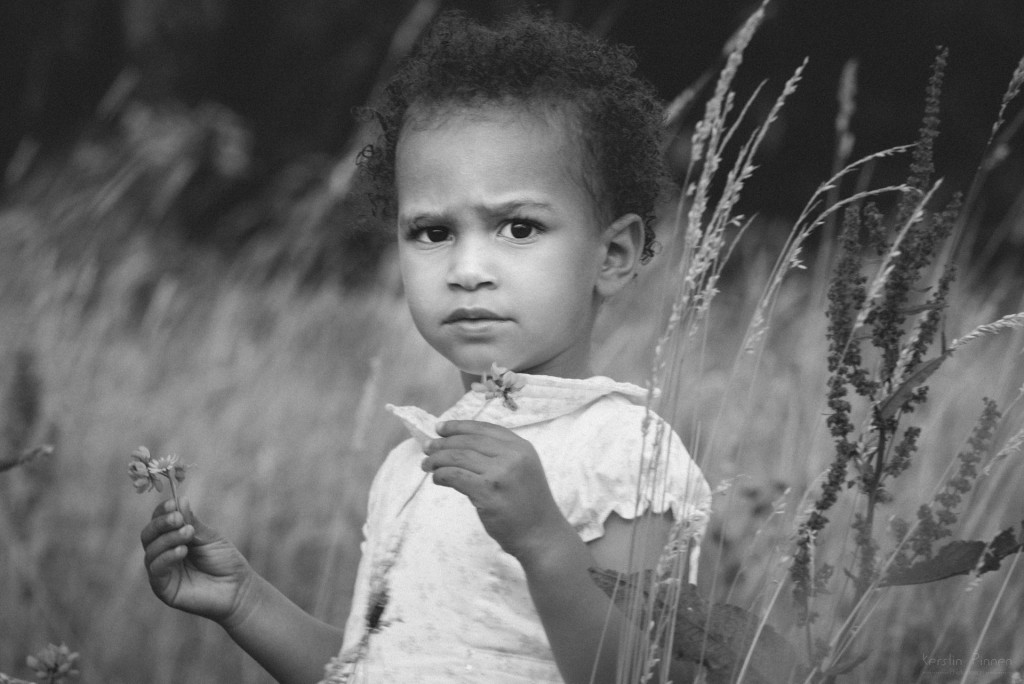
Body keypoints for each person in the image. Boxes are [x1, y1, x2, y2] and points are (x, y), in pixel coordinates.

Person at [140, 11, 711, 684]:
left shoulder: (627, 456)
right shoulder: (412, 464)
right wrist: (244, 600)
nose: (468, 268)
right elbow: (371, 669)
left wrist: (544, 543)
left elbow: (647, 674)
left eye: (519, 227)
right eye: (434, 232)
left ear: (613, 255)